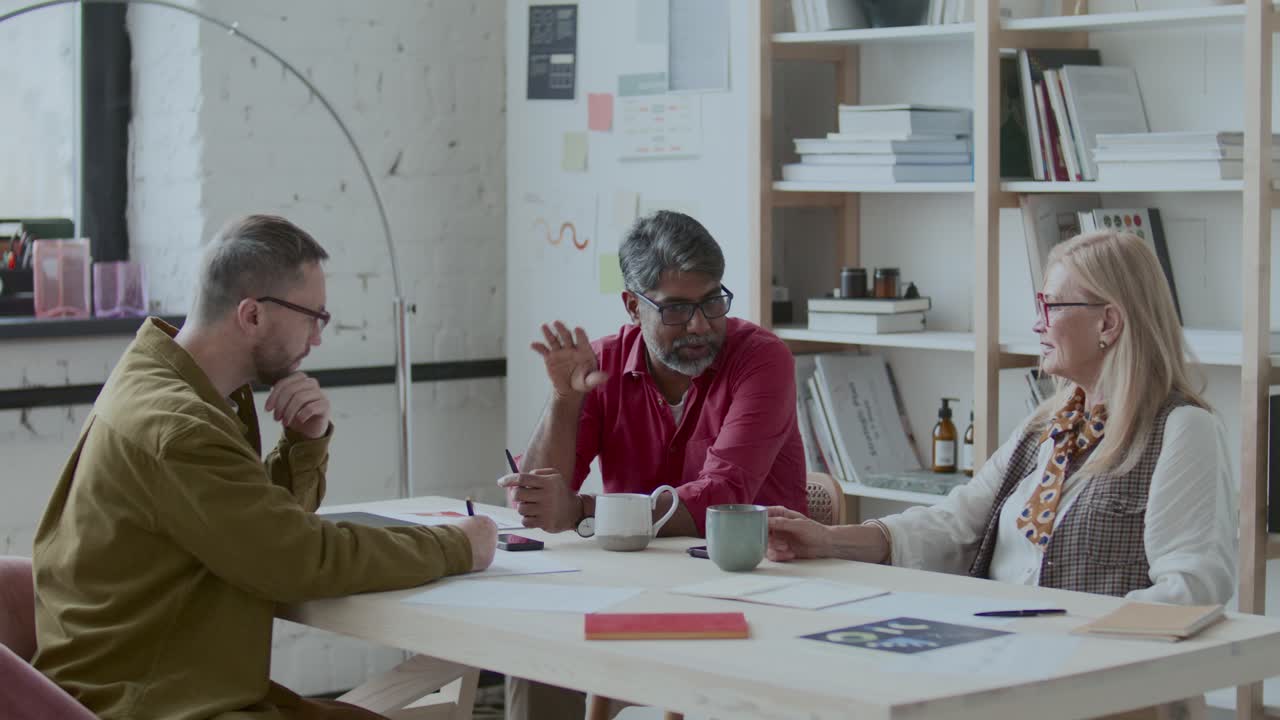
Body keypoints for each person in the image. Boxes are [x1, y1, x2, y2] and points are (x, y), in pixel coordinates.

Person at [31, 215, 498, 720]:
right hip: (155, 703)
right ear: (252, 315)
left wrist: (304, 442)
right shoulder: (182, 426)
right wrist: (457, 547)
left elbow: (258, 532)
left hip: (153, 686)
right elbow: (296, 559)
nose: (318, 337)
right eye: (313, 316)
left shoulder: (165, 381)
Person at [767, 230, 1236, 607]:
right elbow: (954, 524)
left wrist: (1089, 639)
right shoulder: (1044, 429)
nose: (1037, 324)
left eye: (1050, 306)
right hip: (996, 646)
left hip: (1089, 673)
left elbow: (1192, 587)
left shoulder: (1181, 430)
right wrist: (829, 541)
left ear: (1108, 324)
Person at [499, 210, 808, 719]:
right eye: (676, 309)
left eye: (712, 302)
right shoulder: (599, 366)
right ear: (631, 306)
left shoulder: (762, 359)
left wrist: (581, 509)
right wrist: (562, 400)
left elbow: (722, 498)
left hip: (756, 591)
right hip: (644, 584)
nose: (700, 325)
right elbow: (531, 503)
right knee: (534, 646)